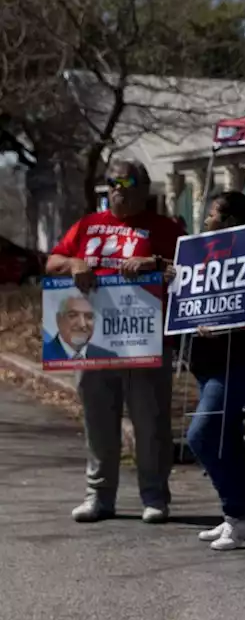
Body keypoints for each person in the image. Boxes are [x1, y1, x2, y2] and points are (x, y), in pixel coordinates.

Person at [46, 159, 182, 524]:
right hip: (92, 338)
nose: (118, 188)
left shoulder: (164, 227)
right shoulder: (89, 225)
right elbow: (52, 261)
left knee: (150, 423)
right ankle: (99, 497)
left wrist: (152, 262)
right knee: (98, 421)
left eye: (127, 182)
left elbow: (185, 269)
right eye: (113, 182)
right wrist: (75, 263)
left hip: (144, 337)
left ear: (144, 187)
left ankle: (155, 497)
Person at [185, 191, 245, 551]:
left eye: (211, 214)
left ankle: (238, 515)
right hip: (207, 360)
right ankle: (237, 517)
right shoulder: (203, 255)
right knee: (224, 441)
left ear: (229, 222)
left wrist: (238, 325)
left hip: (241, 361)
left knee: (201, 434)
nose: (206, 220)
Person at [43, 294, 117, 361]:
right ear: (59, 320)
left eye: (89, 316)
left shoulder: (109, 358)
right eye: (73, 315)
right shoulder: (42, 355)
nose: (82, 325)